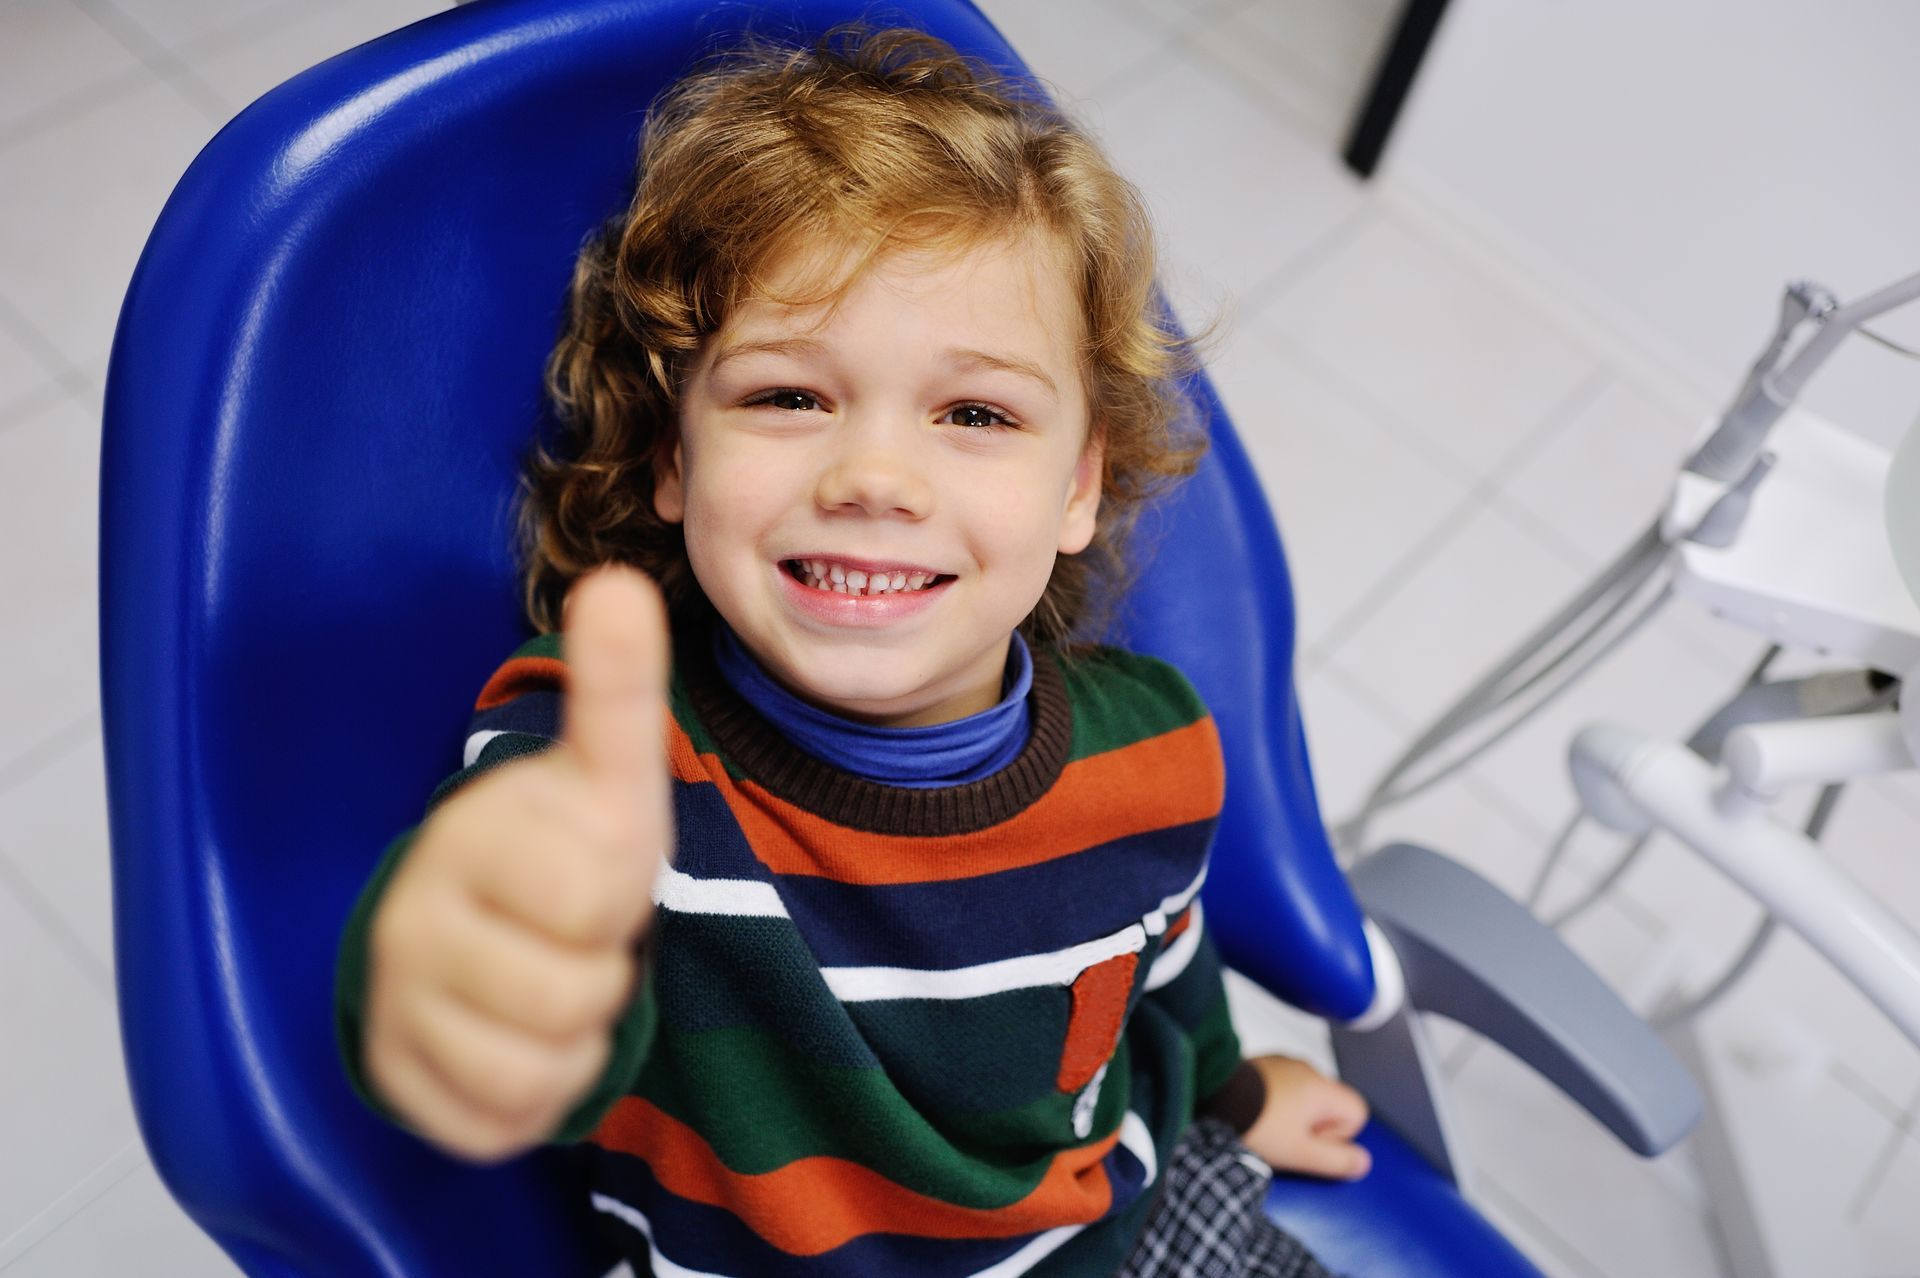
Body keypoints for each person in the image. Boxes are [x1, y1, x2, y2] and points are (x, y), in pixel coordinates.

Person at [334, 23, 1369, 1278]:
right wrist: (471, 977)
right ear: (675, 457)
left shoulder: (1155, 747)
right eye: (788, 396)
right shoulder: (609, 767)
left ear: (1078, 487)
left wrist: (1231, 1092)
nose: (875, 476)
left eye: (975, 413)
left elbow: (1162, 974)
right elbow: (511, 932)